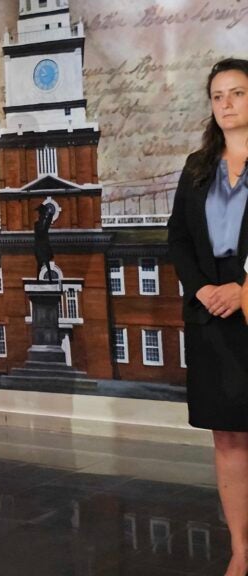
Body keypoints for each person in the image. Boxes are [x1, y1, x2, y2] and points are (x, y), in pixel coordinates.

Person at [169, 57, 248, 576]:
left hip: (246, 300)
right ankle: (242, 549)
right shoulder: (197, 167)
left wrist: (243, 292)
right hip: (211, 318)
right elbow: (177, 238)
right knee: (228, 436)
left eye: (237, 93)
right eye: (217, 95)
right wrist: (203, 290)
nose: (226, 104)